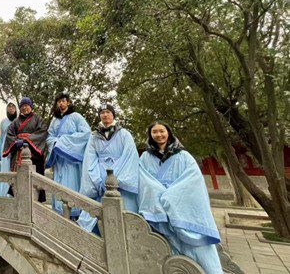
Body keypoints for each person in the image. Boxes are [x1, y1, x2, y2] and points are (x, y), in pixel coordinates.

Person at [138, 121, 222, 274]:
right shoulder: (145, 157)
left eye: (162, 131)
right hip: (157, 206)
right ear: (150, 135)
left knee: (197, 245)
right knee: (167, 243)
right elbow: (144, 180)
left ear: (168, 132)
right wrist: (159, 195)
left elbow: (192, 180)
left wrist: (169, 196)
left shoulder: (184, 156)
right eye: (154, 132)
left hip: (181, 204)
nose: (159, 135)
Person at [77, 104, 139, 233]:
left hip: (120, 173)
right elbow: (90, 159)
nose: (105, 115)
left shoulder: (124, 134)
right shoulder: (94, 136)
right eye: (102, 112)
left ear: (113, 115)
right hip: (99, 174)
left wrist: (115, 178)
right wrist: (97, 179)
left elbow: (129, 157)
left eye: (108, 112)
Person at [46, 92, 91, 218]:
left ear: (68, 102)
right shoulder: (54, 120)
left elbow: (86, 133)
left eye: (63, 101)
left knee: (72, 183)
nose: (61, 103)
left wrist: (64, 141)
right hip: (59, 159)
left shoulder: (76, 117)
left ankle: (74, 212)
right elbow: (49, 137)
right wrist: (56, 142)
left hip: (72, 158)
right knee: (59, 183)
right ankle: (59, 211)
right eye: (59, 101)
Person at [2, 97, 48, 201]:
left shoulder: (38, 119)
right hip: (18, 152)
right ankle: (18, 198)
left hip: (34, 153)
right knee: (18, 178)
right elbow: (10, 134)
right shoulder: (15, 121)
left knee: (34, 178)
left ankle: (36, 200)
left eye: (26, 105)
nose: (24, 108)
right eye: (22, 106)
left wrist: (27, 141)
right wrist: (15, 142)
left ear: (31, 107)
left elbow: (42, 132)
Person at [0, 102, 17, 196]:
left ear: (16, 109)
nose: (11, 108)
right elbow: (1, 137)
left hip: (15, 149)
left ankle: (13, 194)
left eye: (13, 107)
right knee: (5, 171)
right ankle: (3, 194)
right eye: (9, 107)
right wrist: (0, 153)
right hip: (5, 149)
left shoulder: (19, 120)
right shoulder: (3, 122)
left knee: (14, 170)